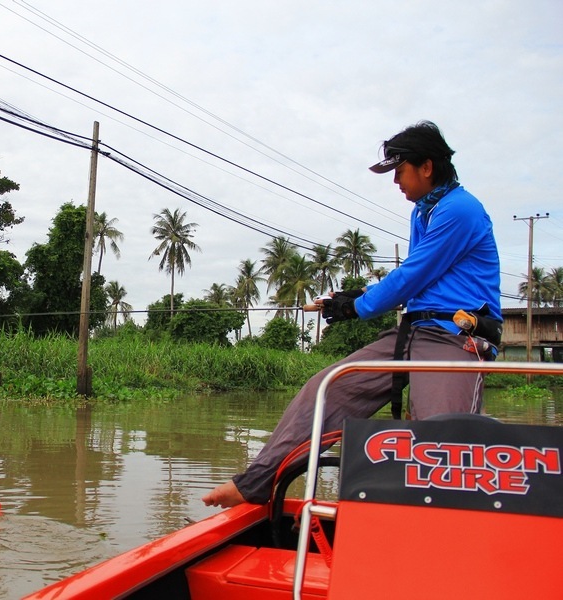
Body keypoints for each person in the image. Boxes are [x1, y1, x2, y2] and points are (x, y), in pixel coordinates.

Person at [202, 120, 502, 508]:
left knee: (436, 438)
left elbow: (415, 273)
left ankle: (446, 534)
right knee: (327, 387)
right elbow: (420, 278)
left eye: (399, 170)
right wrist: (352, 297)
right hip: (415, 332)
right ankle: (257, 482)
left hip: (455, 338)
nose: (396, 181)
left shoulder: (461, 210)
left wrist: (356, 305)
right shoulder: (423, 212)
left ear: (426, 167)